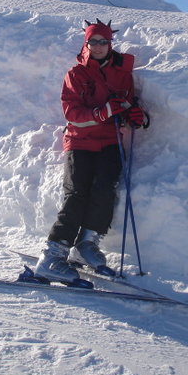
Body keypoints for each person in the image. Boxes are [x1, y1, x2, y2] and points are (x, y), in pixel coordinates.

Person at [35, 19, 149, 285]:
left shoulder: (122, 74)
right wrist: (104, 112)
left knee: (105, 190)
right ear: (86, 44)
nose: (98, 46)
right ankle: (51, 256)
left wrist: (136, 115)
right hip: (80, 142)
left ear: (110, 44)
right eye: (93, 41)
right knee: (77, 194)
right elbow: (72, 114)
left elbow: (128, 104)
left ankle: (86, 245)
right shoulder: (75, 74)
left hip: (110, 141)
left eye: (103, 41)